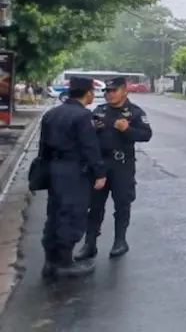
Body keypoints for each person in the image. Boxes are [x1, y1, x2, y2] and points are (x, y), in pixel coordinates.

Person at [75, 77, 152, 261]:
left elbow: (146, 135)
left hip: (121, 164)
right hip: (100, 164)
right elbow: (86, 136)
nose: (109, 95)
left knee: (122, 203)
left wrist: (127, 130)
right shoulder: (99, 111)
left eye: (113, 91)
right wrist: (95, 129)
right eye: (107, 91)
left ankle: (120, 241)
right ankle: (90, 244)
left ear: (124, 90)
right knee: (94, 205)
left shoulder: (134, 112)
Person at [39, 76, 106, 279]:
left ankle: (50, 262)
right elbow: (90, 147)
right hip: (74, 171)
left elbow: (43, 147)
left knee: (55, 213)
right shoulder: (83, 116)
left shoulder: (52, 113)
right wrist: (100, 173)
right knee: (72, 214)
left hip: (54, 169)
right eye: (93, 92)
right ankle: (64, 264)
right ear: (88, 93)